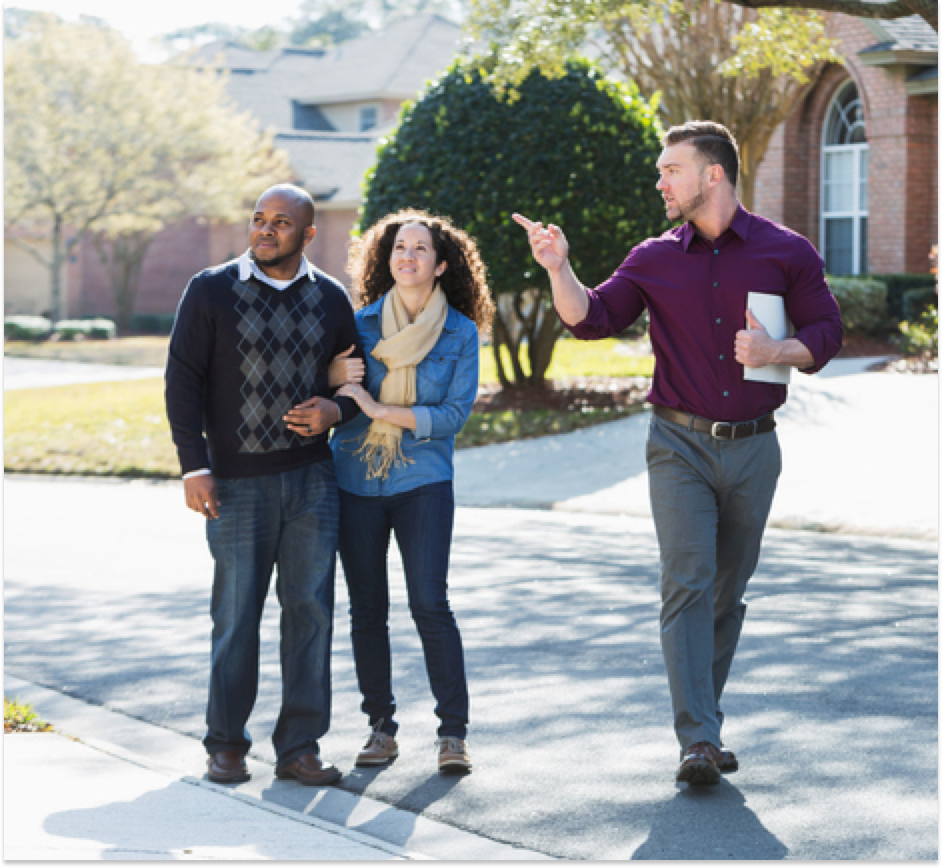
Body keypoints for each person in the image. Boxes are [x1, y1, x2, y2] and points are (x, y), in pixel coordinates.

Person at [515, 121, 843, 786]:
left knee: (726, 591)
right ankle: (696, 739)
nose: (660, 181)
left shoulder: (786, 251)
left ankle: (706, 721)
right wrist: (559, 268)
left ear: (712, 174)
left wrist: (777, 351)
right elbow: (591, 318)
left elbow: (827, 332)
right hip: (678, 444)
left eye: (671, 169)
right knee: (688, 582)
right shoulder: (654, 256)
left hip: (755, 448)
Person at [165, 184, 364, 786]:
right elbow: (182, 382)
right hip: (235, 485)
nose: (265, 230)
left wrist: (334, 412)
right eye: (258, 219)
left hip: (311, 482)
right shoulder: (210, 290)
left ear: (307, 234)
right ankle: (226, 743)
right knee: (236, 614)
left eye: (281, 223)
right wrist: (192, 465)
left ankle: (299, 747)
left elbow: (354, 382)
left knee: (310, 613)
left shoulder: (330, 298)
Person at [325, 210, 495, 774]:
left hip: (423, 480)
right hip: (354, 478)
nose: (408, 257)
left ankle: (453, 734)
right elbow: (332, 387)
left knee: (429, 602)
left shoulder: (461, 333)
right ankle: (380, 727)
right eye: (400, 247)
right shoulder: (359, 325)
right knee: (367, 609)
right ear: (386, 258)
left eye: (421, 249)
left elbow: (451, 416)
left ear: (441, 264)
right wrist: (333, 383)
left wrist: (379, 408)